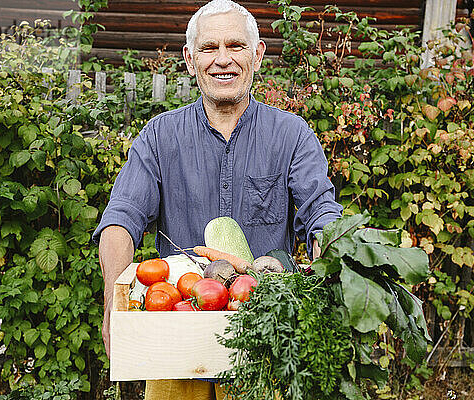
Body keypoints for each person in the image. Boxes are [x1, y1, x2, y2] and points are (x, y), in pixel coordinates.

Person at [93, 0, 343, 398]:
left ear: (257, 55)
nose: (222, 60)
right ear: (190, 59)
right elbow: (120, 220)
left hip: (265, 339)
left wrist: (333, 252)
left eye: (236, 46)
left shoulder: (292, 135)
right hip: (176, 340)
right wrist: (114, 306)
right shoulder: (160, 137)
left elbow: (321, 212)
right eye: (209, 48)